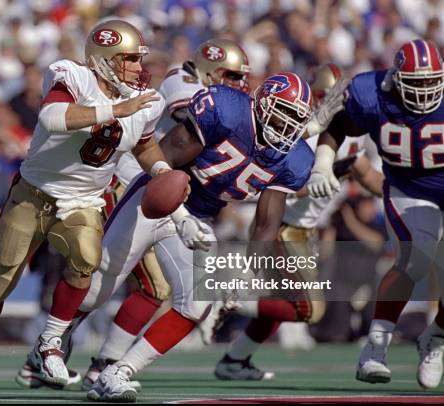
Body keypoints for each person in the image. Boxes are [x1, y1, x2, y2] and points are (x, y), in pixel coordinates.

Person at [0, 19, 171, 404]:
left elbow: (145, 145)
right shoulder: (72, 75)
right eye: (130, 60)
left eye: (139, 59)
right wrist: (116, 109)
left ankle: (49, 342)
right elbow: (52, 118)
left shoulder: (146, 101)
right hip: (34, 194)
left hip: (84, 200)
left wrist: (163, 171)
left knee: (87, 257)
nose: (139, 67)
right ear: (104, 60)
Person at [72, 71, 322, 402]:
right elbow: (164, 162)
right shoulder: (226, 109)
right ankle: (48, 345)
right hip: (157, 198)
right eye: (283, 112)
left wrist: (245, 277)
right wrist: (179, 216)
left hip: (201, 217)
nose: (287, 126)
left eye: (295, 119)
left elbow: (266, 224)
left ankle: (117, 372)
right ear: (262, 104)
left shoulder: (296, 157)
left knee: (195, 305)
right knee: (97, 289)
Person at [69, 38, 252, 390]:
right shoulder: (181, 82)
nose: (236, 83)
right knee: (105, 282)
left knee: (158, 289)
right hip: (132, 184)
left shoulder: (222, 99)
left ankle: (103, 365)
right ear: (209, 68)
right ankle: (52, 342)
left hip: (171, 198)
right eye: (230, 75)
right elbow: (199, 123)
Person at [213, 63, 384, 381]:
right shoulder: (291, 137)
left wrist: (412, 190)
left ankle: (235, 360)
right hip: (281, 228)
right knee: (309, 308)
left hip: (302, 231)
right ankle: (225, 305)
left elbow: (371, 177)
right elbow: (284, 183)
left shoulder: (348, 139)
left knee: (284, 300)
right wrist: (320, 178)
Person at [305, 39, 444, 389]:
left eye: (431, 82)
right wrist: (323, 163)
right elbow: (338, 126)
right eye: (417, 82)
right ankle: (376, 347)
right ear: (396, 79)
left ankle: (437, 337)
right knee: (413, 261)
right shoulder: (372, 93)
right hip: (408, 189)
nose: (425, 91)